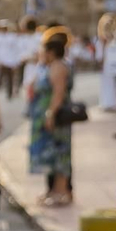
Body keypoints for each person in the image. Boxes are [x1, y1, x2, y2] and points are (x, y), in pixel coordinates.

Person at [29, 30, 75, 206]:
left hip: (55, 118)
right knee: (51, 155)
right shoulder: (49, 66)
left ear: (51, 52)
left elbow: (58, 94)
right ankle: (53, 190)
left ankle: (62, 191)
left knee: (60, 153)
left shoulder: (58, 67)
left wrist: (50, 114)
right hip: (47, 116)